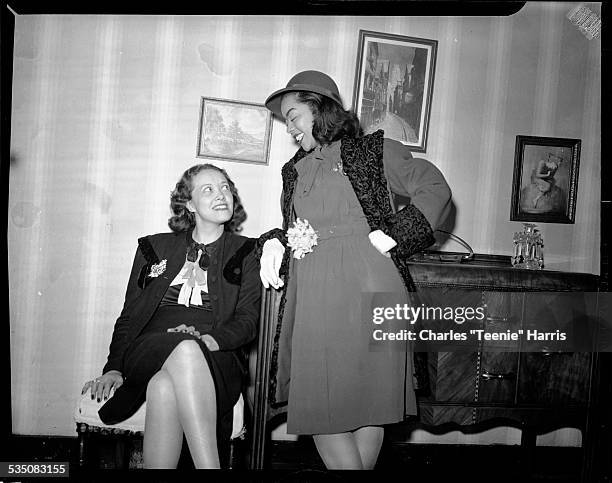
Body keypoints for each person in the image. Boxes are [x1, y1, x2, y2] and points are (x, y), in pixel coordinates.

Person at [257, 70, 452, 470]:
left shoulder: (370, 150)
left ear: (319, 108)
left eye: (293, 116)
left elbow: (434, 188)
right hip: (314, 294)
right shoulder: (293, 170)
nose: (289, 128)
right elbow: (302, 228)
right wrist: (272, 240)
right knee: (321, 406)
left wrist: (399, 233)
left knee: (370, 405)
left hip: (368, 282)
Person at [81, 164, 260, 469]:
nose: (222, 195)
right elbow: (130, 316)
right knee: (184, 348)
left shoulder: (249, 251)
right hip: (150, 347)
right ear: (189, 204)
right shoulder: (154, 247)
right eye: (208, 189)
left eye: (226, 187)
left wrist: (206, 340)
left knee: (163, 386)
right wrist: (113, 368)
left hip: (216, 355)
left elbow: (248, 320)